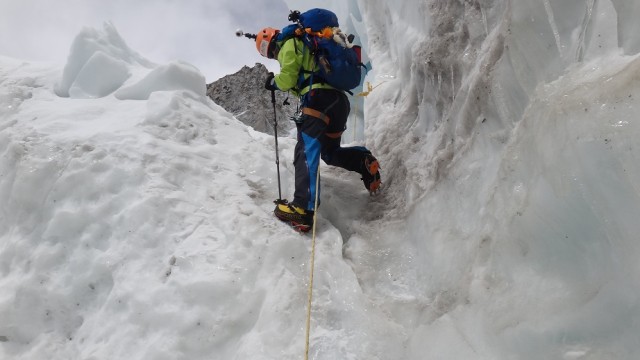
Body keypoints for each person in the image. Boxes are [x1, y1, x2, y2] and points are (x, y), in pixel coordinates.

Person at [255, 26, 381, 232]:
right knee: (329, 152)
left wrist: (274, 83)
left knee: (305, 149)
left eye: (271, 52)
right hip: (338, 103)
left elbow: (286, 79)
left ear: (272, 44)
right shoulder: (307, 47)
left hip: (318, 101)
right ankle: (362, 160)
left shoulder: (288, 44)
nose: (275, 56)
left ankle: (303, 208)